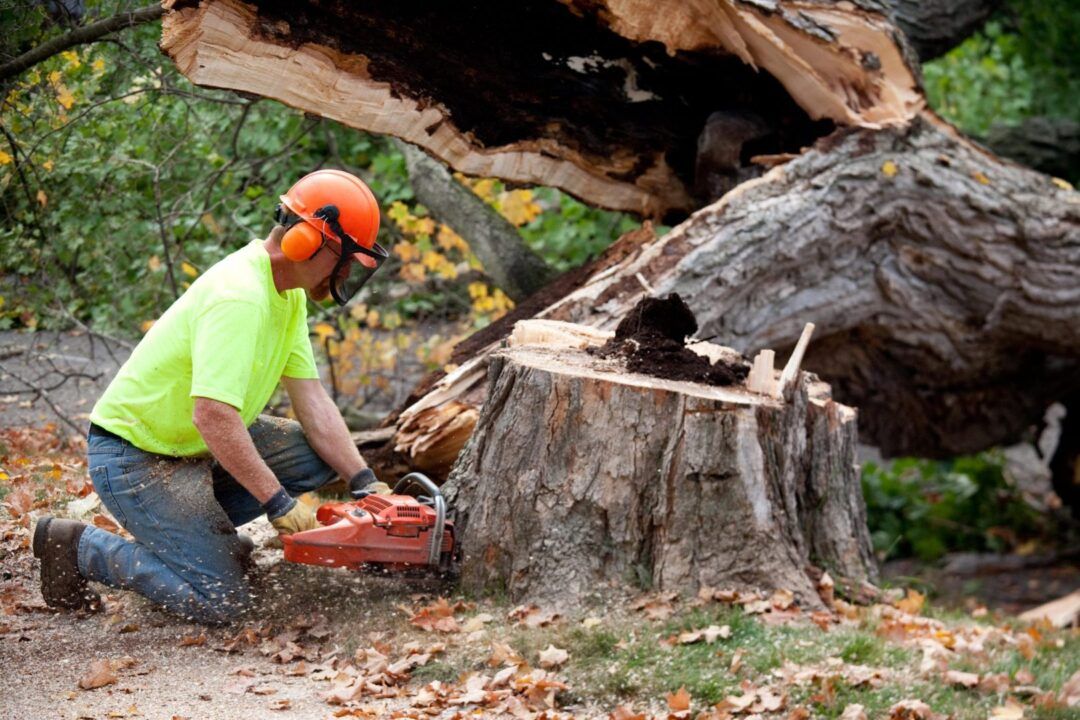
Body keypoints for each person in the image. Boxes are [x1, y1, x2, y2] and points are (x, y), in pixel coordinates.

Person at [32, 169, 390, 623]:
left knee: (313, 456)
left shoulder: (289, 293)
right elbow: (213, 416)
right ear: (307, 242)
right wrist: (278, 503)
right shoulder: (240, 296)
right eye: (344, 260)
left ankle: (202, 539)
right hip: (136, 458)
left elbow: (313, 401)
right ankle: (80, 547)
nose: (344, 274)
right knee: (227, 604)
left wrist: (364, 481)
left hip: (193, 450)